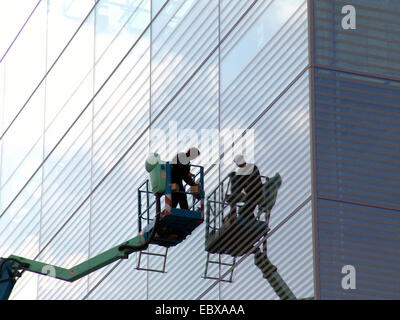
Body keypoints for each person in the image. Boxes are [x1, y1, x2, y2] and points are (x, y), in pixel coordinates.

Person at [226, 155, 264, 221]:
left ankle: (251, 221)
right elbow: (239, 187)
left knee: (243, 212)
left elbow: (255, 181)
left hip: (256, 194)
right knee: (243, 211)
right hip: (250, 195)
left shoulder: (252, 167)